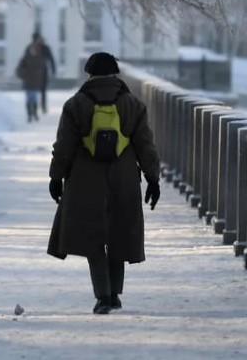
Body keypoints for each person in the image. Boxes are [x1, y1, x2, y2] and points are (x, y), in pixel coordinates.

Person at [46, 51, 161, 314]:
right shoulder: (133, 105)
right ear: (115, 75)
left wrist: (56, 177)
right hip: (124, 178)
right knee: (118, 235)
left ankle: (103, 294)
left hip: (86, 179)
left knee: (93, 238)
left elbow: (64, 146)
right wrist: (152, 178)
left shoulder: (75, 104)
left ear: (89, 75)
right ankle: (115, 293)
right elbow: (146, 145)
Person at [15, 41, 46, 122]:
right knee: (29, 99)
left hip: (35, 82)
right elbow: (19, 70)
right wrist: (27, 72)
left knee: (34, 99)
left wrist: (33, 73)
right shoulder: (25, 59)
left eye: (34, 50)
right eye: (31, 50)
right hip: (28, 82)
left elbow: (42, 70)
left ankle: (35, 113)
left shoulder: (39, 59)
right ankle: (29, 115)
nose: (33, 51)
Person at [31, 33, 56, 113]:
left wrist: (53, 69)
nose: (39, 40)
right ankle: (33, 107)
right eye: (38, 38)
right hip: (34, 73)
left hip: (43, 72)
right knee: (34, 91)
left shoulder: (45, 48)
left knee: (43, 90)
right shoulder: (31, 48)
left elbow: (51, 59)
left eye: (40, 38)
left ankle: (43, 106)